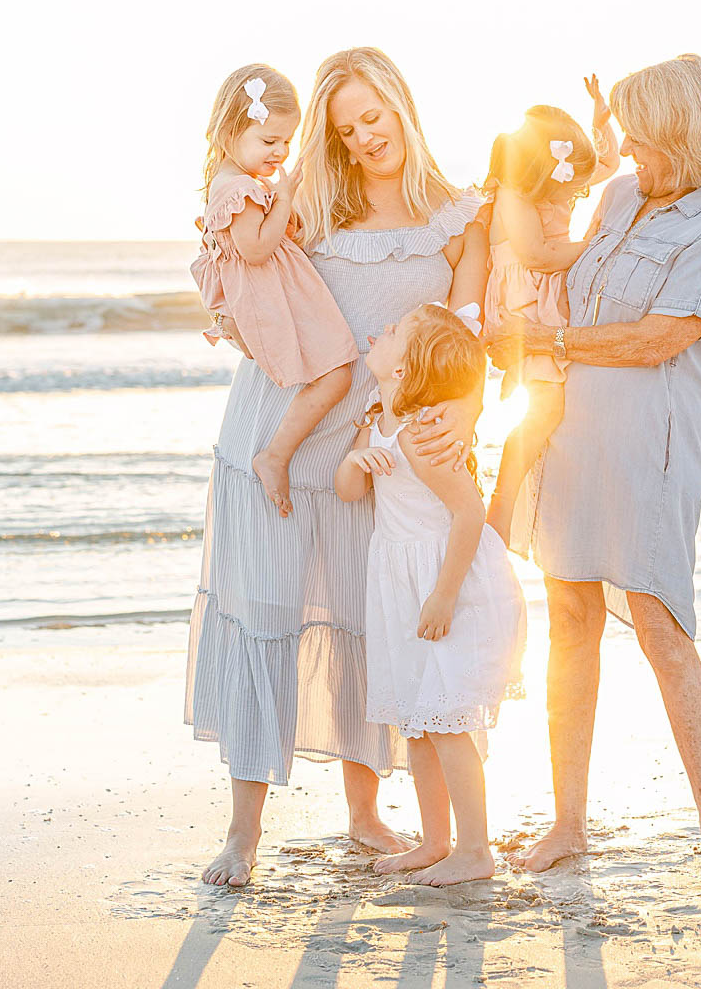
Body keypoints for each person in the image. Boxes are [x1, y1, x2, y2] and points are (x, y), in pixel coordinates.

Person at [186, 47, 489, 889]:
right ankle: (243, 834)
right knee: (264, 624)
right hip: (276, 433)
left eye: (374, 114)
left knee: (369, 630)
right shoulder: (307, 207)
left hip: (375, 458)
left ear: (402, 103)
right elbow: (238, 274)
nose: (364, 136)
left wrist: (459, 420)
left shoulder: (462, 216)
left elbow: (470, 344)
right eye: (345, 125)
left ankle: (364, 813)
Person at [487, 54, 701, 876]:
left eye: (645, 141)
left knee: (659, 625)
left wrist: (548, 341)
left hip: (652, 446)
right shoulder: (618, 195)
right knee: (569, 620)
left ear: (686, 134)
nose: (633, 154)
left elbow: (663, 338)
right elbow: (552, 257)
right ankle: (567, 823)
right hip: (569, 434)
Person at [338, 302, 526, 887]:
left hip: (444, 583)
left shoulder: (424, 437)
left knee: (447, 719)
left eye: (391, 329)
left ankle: (475, 848)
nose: (379, 327)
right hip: (400, 582)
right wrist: (355, 460)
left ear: (405, 369)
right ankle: (435, 840)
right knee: (418, 722)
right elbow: (347, 491)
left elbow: (470, 515)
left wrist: (443, 597)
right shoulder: (380, 425)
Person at [190, 65, 358, 517]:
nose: (280, 152)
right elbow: (257, 249)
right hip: (274, 296)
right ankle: (275, 456)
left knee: (336, 371)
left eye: (286, 141)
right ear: (229, 132)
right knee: (339, 373)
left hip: (275, 290)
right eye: (269, 141)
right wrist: (283, 200)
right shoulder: (240, 189)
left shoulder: (235, 183)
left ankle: (279, 455)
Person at [481, 82, 619, 541]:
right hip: (524, 312)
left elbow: (608, 165)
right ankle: (501, 506)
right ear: (546, 169)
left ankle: (517, 505)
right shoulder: (513, 197)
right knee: (544, 407)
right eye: (569, 179)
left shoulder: (549, 187)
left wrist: (602, 124)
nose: (576, 188)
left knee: (551, 405)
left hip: (546, 305)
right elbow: (538, 255)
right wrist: (597, 246)